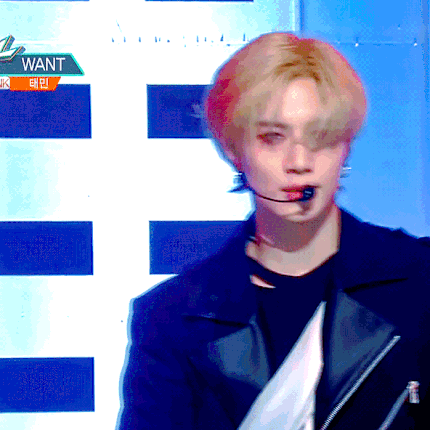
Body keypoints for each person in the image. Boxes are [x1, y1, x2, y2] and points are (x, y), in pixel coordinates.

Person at [118, 33, 430, 429]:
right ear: (234, 150)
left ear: (346, 147)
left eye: (320, 137)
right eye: (272, 138)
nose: (299, 162)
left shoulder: (420, 282)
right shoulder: (170, 319)